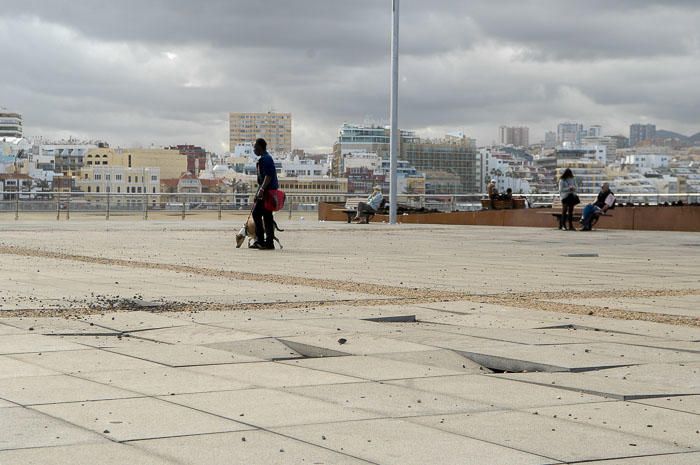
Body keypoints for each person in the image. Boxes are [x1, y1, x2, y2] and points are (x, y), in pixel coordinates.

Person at [251, 138, 279, 249]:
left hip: (267, 192)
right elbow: (263, 179)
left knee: (257, 214)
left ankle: (262, 241)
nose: (254, 149)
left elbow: (268, 176)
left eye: (255, 147)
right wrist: (258, 192)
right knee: (267, 216)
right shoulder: (264, 158)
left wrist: (261, 190)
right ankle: (266, 242)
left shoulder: (266, 159)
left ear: (260, 147)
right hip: (266, 191)